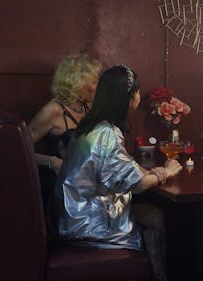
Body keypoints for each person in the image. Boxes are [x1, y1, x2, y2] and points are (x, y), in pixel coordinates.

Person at [54, 65, 182, 281]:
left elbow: (119, 168)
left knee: (153, 216)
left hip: (70, 214)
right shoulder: (106, 133)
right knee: (155, 216)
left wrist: (149, 171)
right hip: (86, 223)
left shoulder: (90, 126)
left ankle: (156, 275)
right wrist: (166, 172)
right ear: (129, 98)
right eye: (137, 92)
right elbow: (139, 184)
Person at [28, 54, 101, 218]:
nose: (98, 86)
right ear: (80, 83)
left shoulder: (88, 107)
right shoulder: (53, 110)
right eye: (95, 81)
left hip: (85, 183)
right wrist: (50, 162)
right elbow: (17, 150)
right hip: (60, 187)